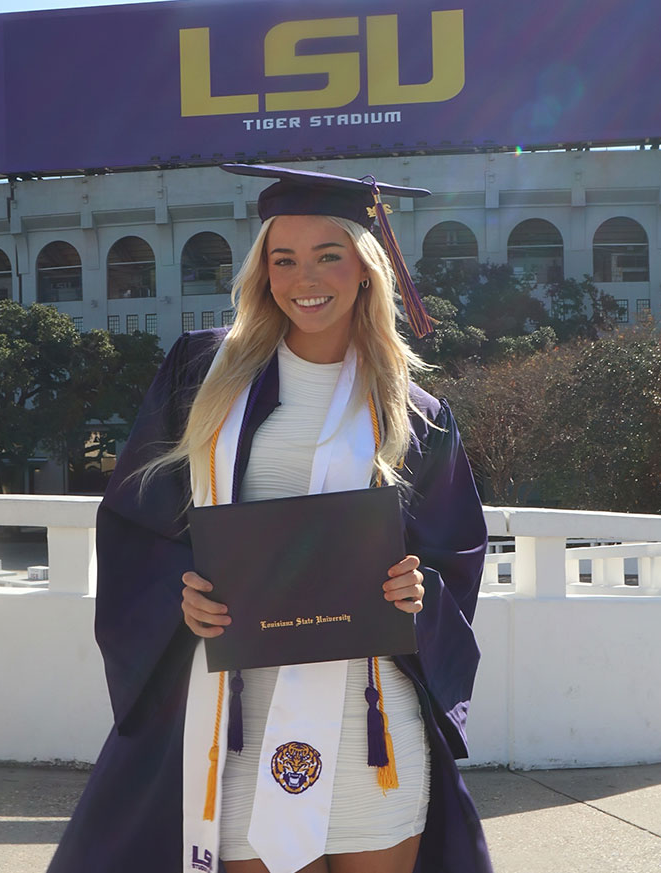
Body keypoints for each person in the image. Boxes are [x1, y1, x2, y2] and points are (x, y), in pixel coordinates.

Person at [47, 164, 493, 873]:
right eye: (282, 258)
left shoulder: (416, 415)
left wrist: (420, 595)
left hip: (369, 720)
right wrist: (178, 592)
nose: (302, 278)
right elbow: (136, 518)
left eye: (327, 255)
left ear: (366, 268)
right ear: (262, 270)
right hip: (237, 714)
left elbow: (453, 554)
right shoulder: (204, 373)